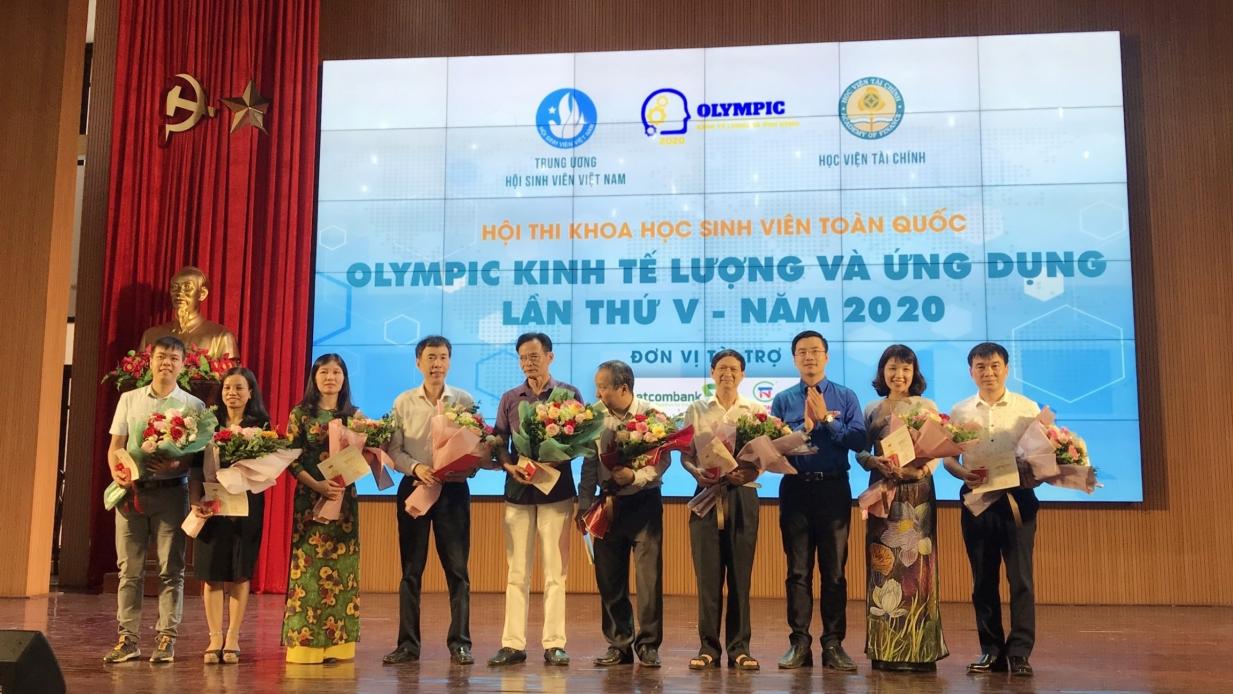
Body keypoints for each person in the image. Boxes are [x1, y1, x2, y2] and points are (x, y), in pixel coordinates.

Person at [102, 335, 208, 664]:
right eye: (161, 356)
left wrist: (176, 464)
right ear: (150, 361)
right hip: (132, 493)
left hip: (172, 494)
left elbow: (197, 457)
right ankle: (128, 639)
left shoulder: (193, 406)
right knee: (129, 570)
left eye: (174, 358)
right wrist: (118, 470)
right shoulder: (130, 400)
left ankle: (166, 638)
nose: (167, 363)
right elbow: (115, 446)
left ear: (182, 365)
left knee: (170, 569)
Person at [944, 342, 1042, 678]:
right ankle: (991, 650)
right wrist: (963, 473)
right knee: (983, 579)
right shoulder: (960, 411)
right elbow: (948, 458)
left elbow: (1040, 455)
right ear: (971, 372)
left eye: (995, 365)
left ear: (1006, 369)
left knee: (1021, 579)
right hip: (977, 499)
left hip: (1017, 500)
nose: (988, 372)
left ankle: (1020, 653)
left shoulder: (1026, 408)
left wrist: (1034, 472)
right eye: (981, 367)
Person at [770, 330, 866, 670]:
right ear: (794, 359)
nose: (809, 356)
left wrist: (826, 418)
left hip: (833, 490)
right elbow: (772, 446)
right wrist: (804, 430)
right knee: (797, 571)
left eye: (815, 351)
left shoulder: (846, 396)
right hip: (795, 490)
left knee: (834, 571)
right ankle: (799, 643)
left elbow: (859, 440)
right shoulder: (783, 400)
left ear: (826, 356)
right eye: (802, 352)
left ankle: (833, 643)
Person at [487, 333, 582, 668]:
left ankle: (555, 644)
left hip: (557, 490)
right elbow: (498, 439)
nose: (529, 363)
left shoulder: (568, 394)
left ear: (550, 357)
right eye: (523, 358)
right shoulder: (510, 398)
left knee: (556, 571)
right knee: (517, 571)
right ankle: (512, 644)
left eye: (534, 356)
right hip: (520, 491)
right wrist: (508, 465)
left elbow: (579, 441)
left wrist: (558, 458)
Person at [384, 336, 477, 666]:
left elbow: (475, 446)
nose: (437, 363)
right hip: (415, 487)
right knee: (411, 570)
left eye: (443, 357)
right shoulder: (404, 402)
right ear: (418, 362)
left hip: (452, 491)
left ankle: (460, 643)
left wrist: (465, 466)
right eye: (431, 357)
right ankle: (408, 645)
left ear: (450, 361)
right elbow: (393, 450)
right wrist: (417, 468)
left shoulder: (463, 400)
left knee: (457, 570)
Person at [856, 345, 949, 672]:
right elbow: (860, 451)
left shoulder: (926, 406)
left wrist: (921, 471)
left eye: (906, 369)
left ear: (914, 373)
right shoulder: (872, 408)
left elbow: (938, 451)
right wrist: (874, 461)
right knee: (883, 566)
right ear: (882, 372)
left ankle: (921, 651)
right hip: (884, 490)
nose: (899, 375)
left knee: (918, 568)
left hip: (918, 492)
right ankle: (885, 650)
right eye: (892, 368)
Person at [576, 361, 665, 668]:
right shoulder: (593, 417)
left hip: (644, 503)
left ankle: (649, 645)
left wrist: (635, 476)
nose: (597, 393)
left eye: (602, 387)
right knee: (609, 578)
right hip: (608, 504)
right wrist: (583, 504)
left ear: (623, 388)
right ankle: (619, 643)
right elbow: (589, 465)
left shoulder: (652, 417)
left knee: (648, 580)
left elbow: (661, 462)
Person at [679, 349, 763, 671]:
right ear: (712, 373)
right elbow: (685, 455)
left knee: (741, 577)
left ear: (743, 374)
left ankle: (740, 648)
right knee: (708, 577)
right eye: (721, 369)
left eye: (734, 369)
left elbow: (764, 458)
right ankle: (708, 649)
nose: (727, 374)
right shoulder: (696, 409)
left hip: (743, 496)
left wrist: (750, 473)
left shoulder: (755, 411)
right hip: (706, 494)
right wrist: (695, 471)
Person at [281, 353, 362, 664]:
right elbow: (291, 458)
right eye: (324, 372)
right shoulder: (301, 413)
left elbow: (363, 455)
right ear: (314, 378)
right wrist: (317, 485)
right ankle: (305, 645)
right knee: (310, 570)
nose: (330, 377)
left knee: (343, 570)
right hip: (310, 499)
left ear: (344, 379)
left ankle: (339, 645)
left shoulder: (354, 415)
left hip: (344, 501)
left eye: (336, 372)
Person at [188, 367, 270, 664]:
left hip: (246, 506)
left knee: (239, 571)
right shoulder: (207, 424)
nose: (232, 393)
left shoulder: (261, 427)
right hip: (212, 503)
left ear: (250, 393)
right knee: (211, 573)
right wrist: (194, 500)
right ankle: (214, 638)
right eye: (227, 388)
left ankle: (233, 637)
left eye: (238, 388)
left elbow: (266, 468)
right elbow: (195, 467)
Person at [138, 265, 237, 359]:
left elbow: (231, 371)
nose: (179, 293)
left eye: (187, 287)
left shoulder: (221, 336)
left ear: (202, 294)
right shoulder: (150, 335)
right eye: (174, 288)